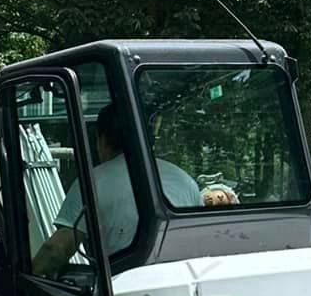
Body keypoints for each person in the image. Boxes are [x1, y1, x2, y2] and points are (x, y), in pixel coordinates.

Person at [33, 103, 201, 273]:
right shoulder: (185, 180)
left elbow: (56, 250)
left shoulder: (92, 183)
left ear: (102, 139)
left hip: (122, 289)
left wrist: (28, 280)